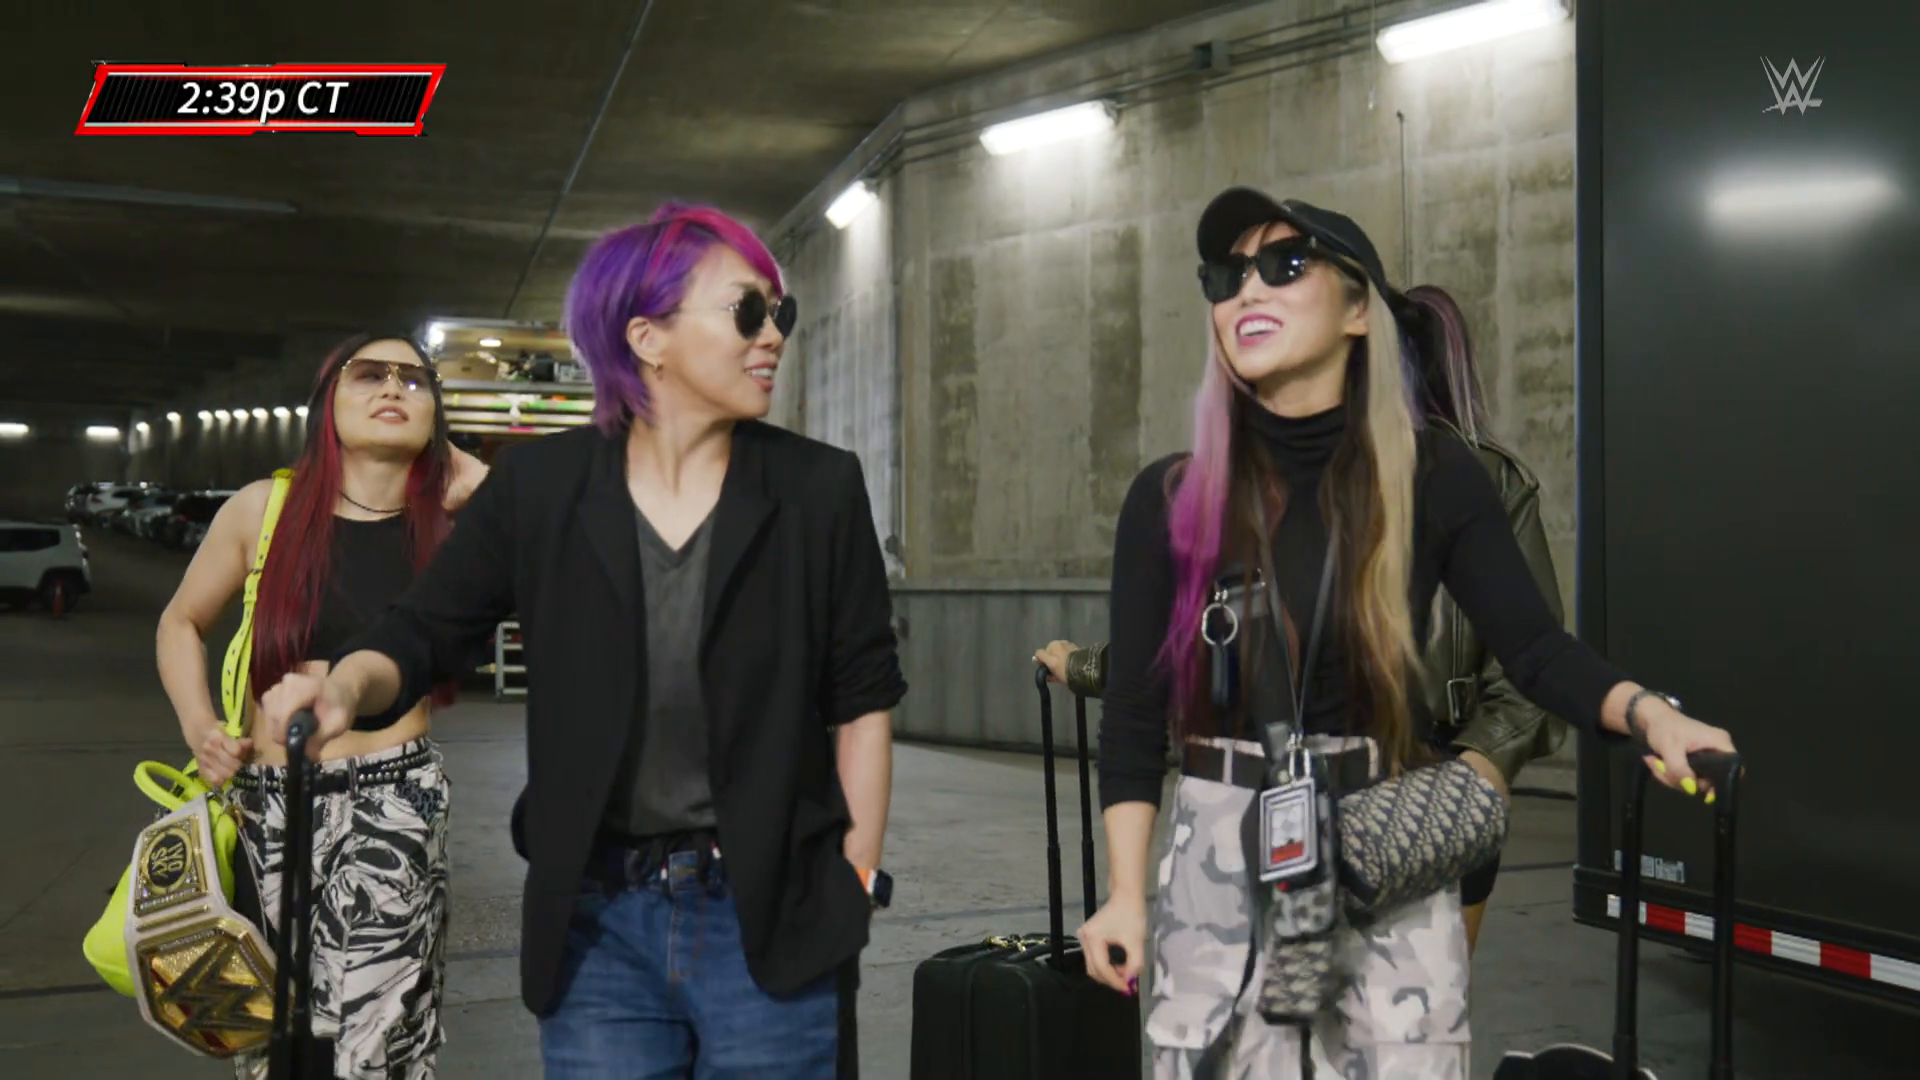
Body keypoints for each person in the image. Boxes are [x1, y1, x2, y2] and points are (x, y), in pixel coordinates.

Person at [1070, 188, 1736, 1078]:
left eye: (1285, 265)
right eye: (1226, 277)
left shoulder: (1436, 476)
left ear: (1359, 310)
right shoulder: (1171, 498)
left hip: (1380, 848)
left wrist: (1654, 716)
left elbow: (1536, 651)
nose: (1247, 291)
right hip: (1219, 861)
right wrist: (1124, 893)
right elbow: (1133, 715)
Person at [253, 201, 904, 1080]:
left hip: (774, 915)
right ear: (647, 337)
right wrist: (343, 687)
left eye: (778, 311)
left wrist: (854, 880)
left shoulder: (818, 488)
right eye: (746, 310)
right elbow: (423, 628)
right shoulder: (542, 484)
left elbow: (862, 700)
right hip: (599, 927)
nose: (773, 336)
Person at [1033, 285, 1568, 955]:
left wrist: (1466, 783)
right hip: (1309, 800)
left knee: (1388, 1008)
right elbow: (1208, 637)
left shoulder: (1465, 482)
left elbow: (1534, 662)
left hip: (1395, 795)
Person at [156, 332, 489, 1080]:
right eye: (369, 374)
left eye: (415, 380)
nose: (394, 388)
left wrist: (473, 479)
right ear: (325, 402)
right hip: (271, 804)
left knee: (380, 1046)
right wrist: (201, 726)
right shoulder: (263, 510)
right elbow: (180, 623)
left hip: (395, 804)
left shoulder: (456, 526)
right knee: (272, 1045)